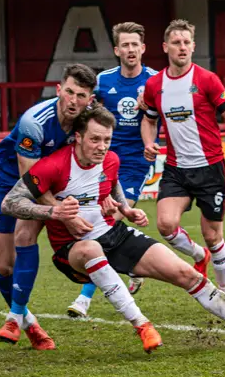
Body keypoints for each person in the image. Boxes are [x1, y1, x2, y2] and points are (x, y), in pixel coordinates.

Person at [1, 106, 225, 353]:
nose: (102, 146)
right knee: (92, 248)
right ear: (78, 137)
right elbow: (10, 202)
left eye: (107, 140)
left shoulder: (110, 159)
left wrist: (125, 209)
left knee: (185, 272)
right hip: (72, 250)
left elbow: (111, 184)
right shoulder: (53, 165)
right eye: (95, 139)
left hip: (115, 234)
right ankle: (142, 325)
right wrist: (54, 212)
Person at [141, 19, 225, 301]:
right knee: (165, 225)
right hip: (177, 169)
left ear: (193, 46)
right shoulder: (155, 85)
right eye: (176, 42)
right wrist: (148, 142)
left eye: (186, 42)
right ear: (165, 47)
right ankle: (197, 254)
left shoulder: (207, 79)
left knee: (213, 236)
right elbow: (149, 119)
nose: (182, 47)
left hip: (210, 168)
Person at [0, 63, 96, 349]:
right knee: (4, 266)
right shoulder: (34, 122)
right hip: (10, 180)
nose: (74, 101)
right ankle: (28, 320)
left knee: (25, 236)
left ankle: (17, 321)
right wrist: (61, 213)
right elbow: (31, 183)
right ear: (59, 89)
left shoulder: (88, 119)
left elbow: (105, 145)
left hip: (54, 181)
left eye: (82, 95)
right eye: (70, 93)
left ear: (90, 98)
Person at [68, 22, 158, 318]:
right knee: (100, 221)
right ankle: (132, 263)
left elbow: (167, 115)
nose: (131, 50)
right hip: (102, 163)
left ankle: (84, 298)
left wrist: (152, 140)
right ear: (117, 50)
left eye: (136, 44)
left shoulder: (156, 81)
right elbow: (87, 113)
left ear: (143, 48)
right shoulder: (104, 81)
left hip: (133, 164)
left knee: (109, 220)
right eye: (125, 45)